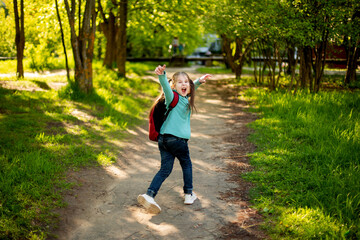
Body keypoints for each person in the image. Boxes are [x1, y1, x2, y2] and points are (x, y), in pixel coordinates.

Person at [137, 64, 212, 214]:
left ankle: (149, 195)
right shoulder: (173, 98)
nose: (184, 84)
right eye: (180, 82)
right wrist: (162, 75)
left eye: (186, 81)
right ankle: (188, 194)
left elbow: (191, 88)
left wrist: (198, 81)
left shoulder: (184, 99)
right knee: (186, 164)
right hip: (177, 141)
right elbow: (165, 86)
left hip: (164, 140)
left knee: (165, 169)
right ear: (173, 85)